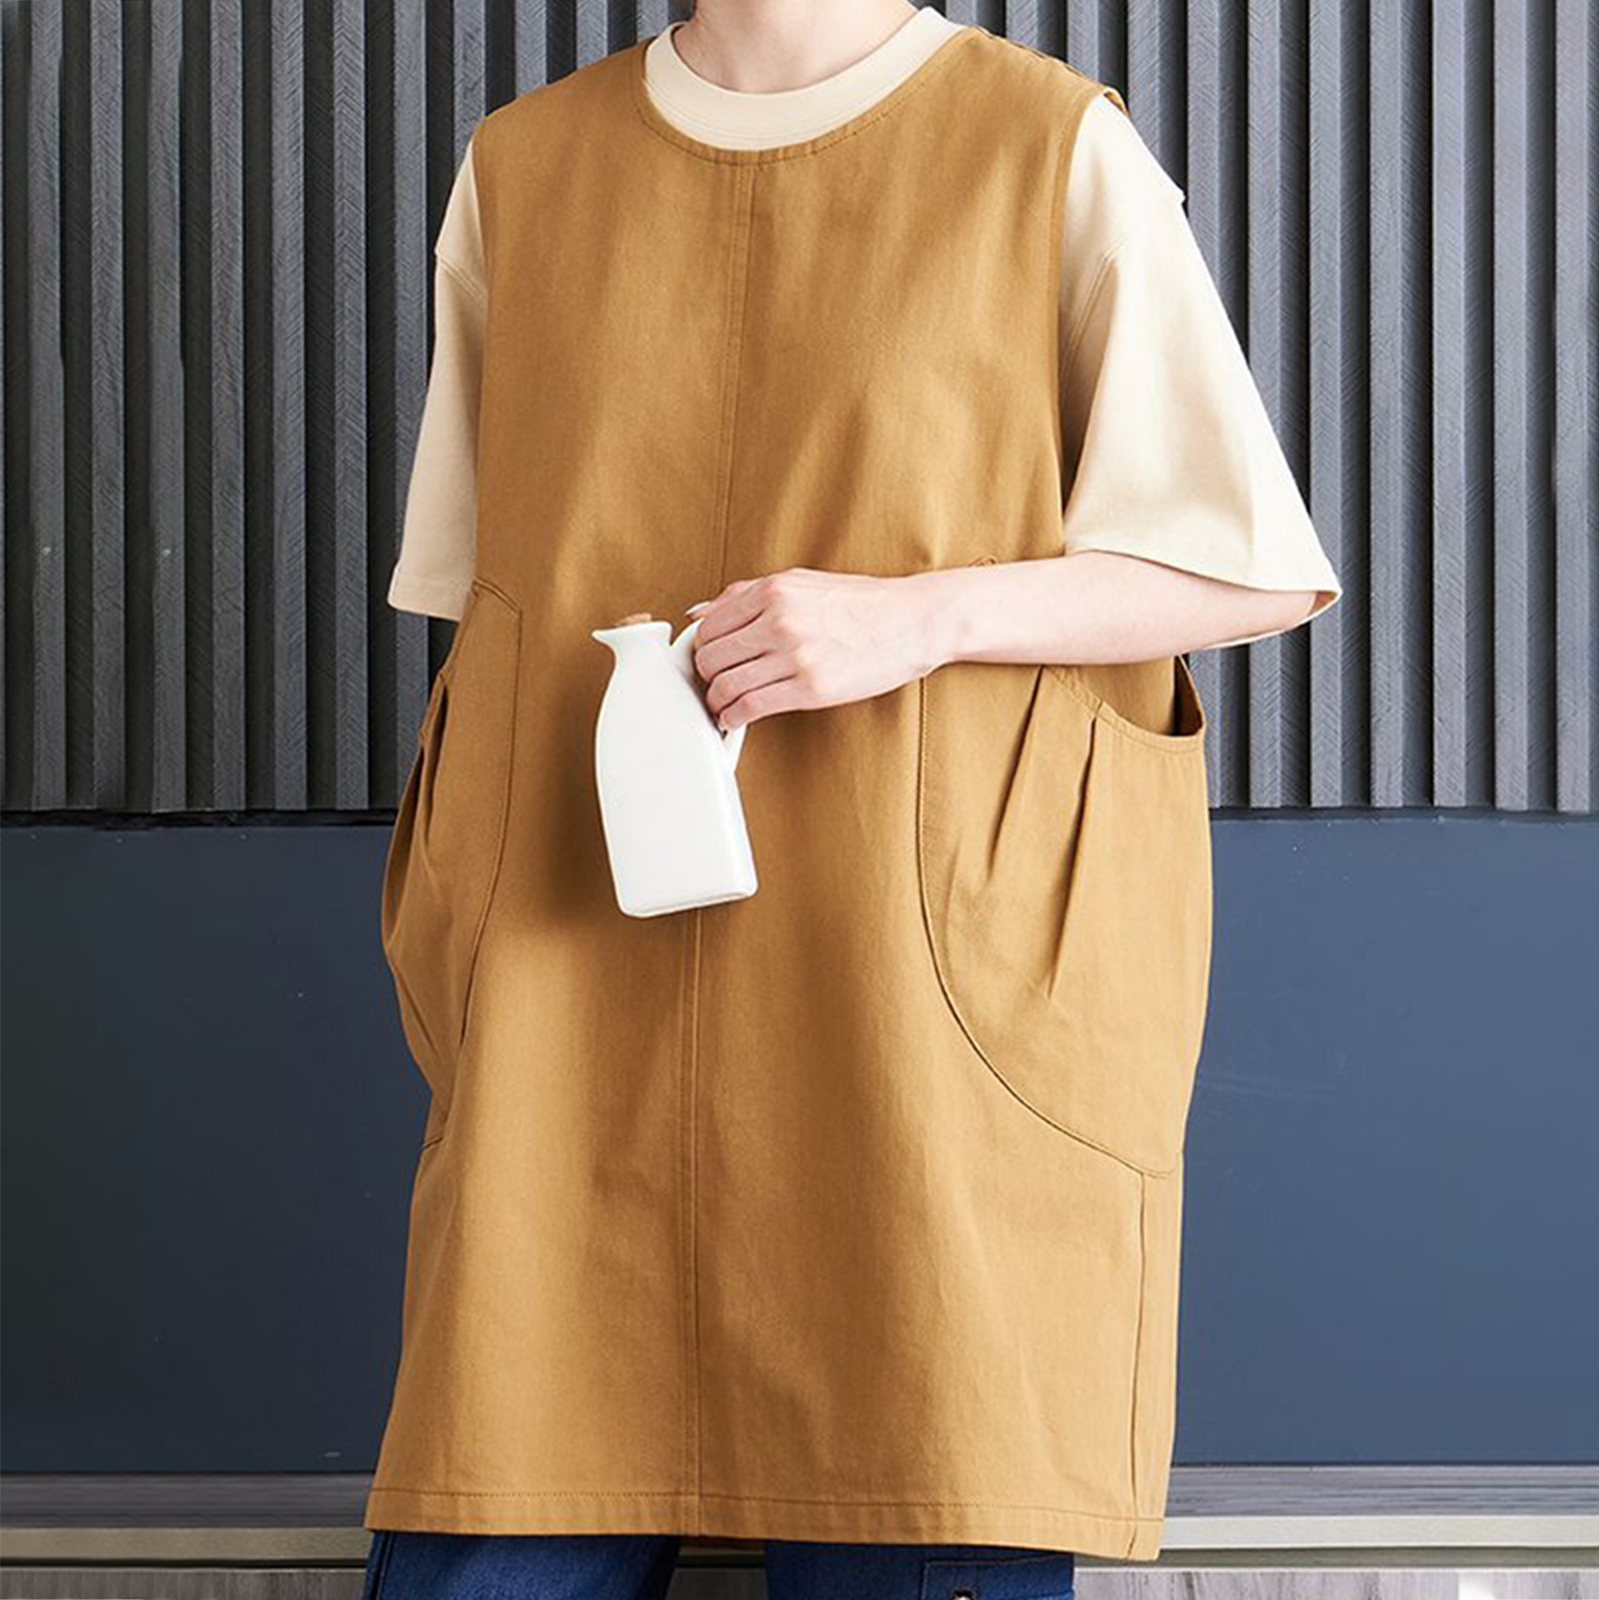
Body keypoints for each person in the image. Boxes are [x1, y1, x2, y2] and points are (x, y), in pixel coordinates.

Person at [363, 3, 1343, 1597]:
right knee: (505, 1500)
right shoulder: (525, 172)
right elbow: (496, 601)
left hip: (919, 1031)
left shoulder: (1046, 150)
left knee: (926, 1452)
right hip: (569, 1015)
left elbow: (1245, 565)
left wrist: (923, 617)